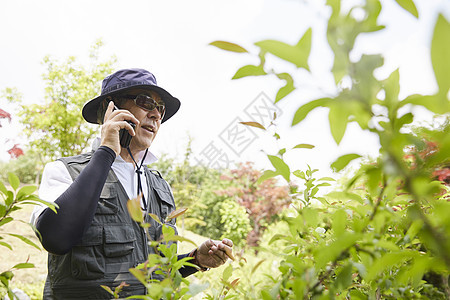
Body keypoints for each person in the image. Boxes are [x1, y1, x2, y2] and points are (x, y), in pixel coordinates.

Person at [30, 68, 234, 299]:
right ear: (112, 108)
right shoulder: (65, 171)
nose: (156, 115)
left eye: (161, 108)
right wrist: (107, 150)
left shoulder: (160, 187)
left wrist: (195, 260)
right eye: (146, 102)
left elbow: (152, 269)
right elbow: (56, 238)